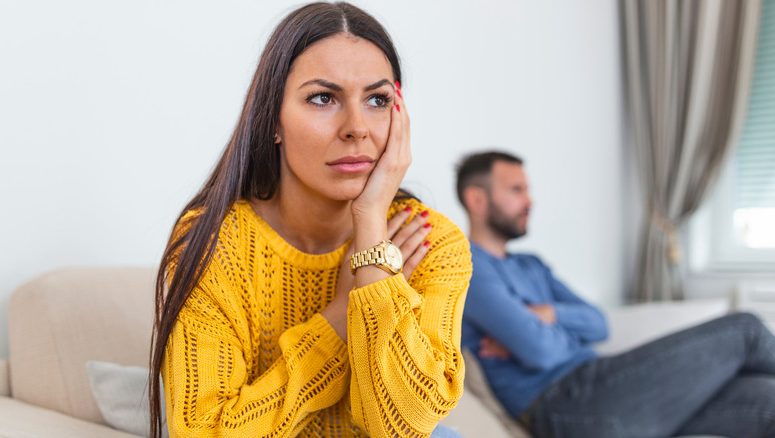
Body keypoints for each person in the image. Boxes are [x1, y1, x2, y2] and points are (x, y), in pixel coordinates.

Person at [148, 3, 472, 437]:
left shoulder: (430, 241)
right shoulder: (211, 243)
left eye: (378, 100)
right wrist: (338, 321)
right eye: (323, 98)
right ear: (273, 120)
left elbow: (404, 428)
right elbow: (202, 432)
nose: (357, 127)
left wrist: (372, 243)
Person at [456, 150, 775, 438]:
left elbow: (600, 324)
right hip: (566, 403)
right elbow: (542, 352)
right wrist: (548, 332)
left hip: (605, 389)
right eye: (516, 190)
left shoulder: (532, 266)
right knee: (744, 331)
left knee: (766, 399)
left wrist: (551, 315)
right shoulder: (468, 268)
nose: (530, 200)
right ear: (477, 200)